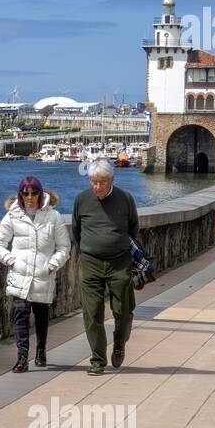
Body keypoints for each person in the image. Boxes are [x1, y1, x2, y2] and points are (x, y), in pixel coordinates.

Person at [0, 175, 71, 373]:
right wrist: (11, 260)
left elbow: (64, 247)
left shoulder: (54, 217)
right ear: (20, 194)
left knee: (41, 316)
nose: (29, 197)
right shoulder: (13, 215)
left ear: (40, 193)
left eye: (34, 192)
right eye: (25, 193)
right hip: (20, 275)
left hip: (43, 275)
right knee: (20, 315)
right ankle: (22, 358)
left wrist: (52, 265)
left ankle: (41, 350)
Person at [71, 158, 138, 375]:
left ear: (112, 180)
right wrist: (90, 249)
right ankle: (97, 360)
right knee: (92, 313)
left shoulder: (125, 199)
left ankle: (119, 344)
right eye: (93, 181)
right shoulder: (82, 200)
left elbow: (133, 229)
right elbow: (76, 230)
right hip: (91, 263)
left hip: (119, 263)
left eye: (101, 182)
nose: (97, 186)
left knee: (124, 311)